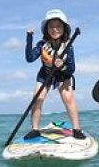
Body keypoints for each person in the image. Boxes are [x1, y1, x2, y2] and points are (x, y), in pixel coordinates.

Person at [23, 9, 85, 140]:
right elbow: (29, 58)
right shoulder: (42, 45)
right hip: (45, 74)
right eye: (51, 26)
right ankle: (34, 129)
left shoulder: (68, 46)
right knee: (37, 99)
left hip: (62, 75)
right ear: (46, 29)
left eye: (58, 26)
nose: (55, 29)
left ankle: (77, 129)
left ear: (64, 28)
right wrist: (29, 37)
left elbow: (71, 69)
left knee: (68, 99)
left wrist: (62, 65)